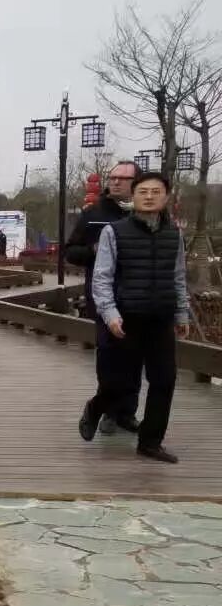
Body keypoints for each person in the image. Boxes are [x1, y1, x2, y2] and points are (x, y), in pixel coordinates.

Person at [79, 171, 191, 464]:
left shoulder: (174, 234)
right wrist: (110, 314)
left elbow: (178, 277)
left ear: (166, 196)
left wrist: (181, 313)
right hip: (126, 318)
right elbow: (102, 278)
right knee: (120, 382)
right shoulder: (114, 232)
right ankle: (96, 407)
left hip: (161, 318)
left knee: (164, 380)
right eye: (143, 192)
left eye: (156, 192)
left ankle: (150, 442)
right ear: (134, 196)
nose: (149, 197)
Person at [64, 160, 141, 435]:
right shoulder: (93, 214)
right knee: (109, 356)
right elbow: (70, 252)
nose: (116, 182)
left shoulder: (146, 214)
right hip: (103, 296)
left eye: (123, 178)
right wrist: (95, 250)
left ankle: (127, 413)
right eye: (113, 177)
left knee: (134, 356)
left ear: (136, 183)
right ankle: (107, 409)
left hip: (139, 296)